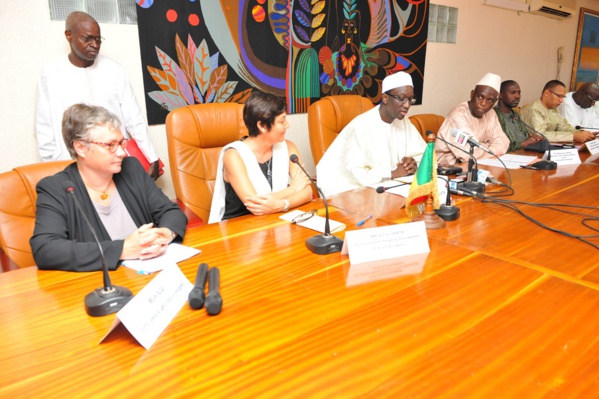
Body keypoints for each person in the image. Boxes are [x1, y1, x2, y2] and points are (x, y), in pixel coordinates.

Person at [30, 104, 187, 272]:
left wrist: (165, 234)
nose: (121, 152)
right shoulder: (56, 189)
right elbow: (45, 249)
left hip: (150, 275)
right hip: (99, 287)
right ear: (81, 148)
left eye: (121, 143)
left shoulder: (131, 168)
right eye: (110, 145)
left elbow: (170, 211)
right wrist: (122, 250)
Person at [35, 11, 161, 179]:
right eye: (87, 39)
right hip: (73, 167)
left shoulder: (114, 70)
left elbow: (134, 118)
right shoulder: (51, 74)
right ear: (69, 36)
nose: (94, 44)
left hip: (115, 163)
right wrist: (51, 170)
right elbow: (44, 127)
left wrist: (151, 156)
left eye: (98, 39)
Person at [316, 71, 427, 197]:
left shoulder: (403, 122)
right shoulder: (361, 126)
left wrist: (412, 164)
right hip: (353, 193)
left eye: (410, 99)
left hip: (390, 189)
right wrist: (392, 173)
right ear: (385, 98)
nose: (407, 105)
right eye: (401, 99)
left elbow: (423, 156)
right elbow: (355, 173)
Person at [208, 91, 313, 223]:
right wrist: (293, 188)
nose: (287, 125)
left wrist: (283, 204)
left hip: (275, 221)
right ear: (262, 126)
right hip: (238, 227)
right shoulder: (234, 155)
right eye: (282, 120)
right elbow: (255, 205)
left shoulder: (289, 148)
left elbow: (307, 192)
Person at [436, 73, 510, 166]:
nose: (483, 103)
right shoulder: (458, 115)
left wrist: (482, 148)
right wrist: (488, 147)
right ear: (472, 94)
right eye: (480, 97)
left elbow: (503, 142)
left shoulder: (491, 114)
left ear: (495, 102)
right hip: (449, 167)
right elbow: (469, 154)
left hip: (480, 164)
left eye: (489, 100)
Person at [520, 80, 595, 143]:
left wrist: (580, 133)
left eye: (563, 97)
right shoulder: (533, 109)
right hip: (529, 150)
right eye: (559, 96)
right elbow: (540, 135)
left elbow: (564, 126)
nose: (561, 100)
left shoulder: (553, 109)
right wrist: (573, 136)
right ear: (547, 93)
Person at [494, 80, 544, 151]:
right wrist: (523, 144)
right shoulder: (494, 115)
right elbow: (498, 145)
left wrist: (533, 138)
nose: (517, 96)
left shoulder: (515, 114)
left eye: (519, 93)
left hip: (524, 153)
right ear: (500, 95)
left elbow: (524, 137)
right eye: (513, 92)